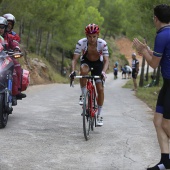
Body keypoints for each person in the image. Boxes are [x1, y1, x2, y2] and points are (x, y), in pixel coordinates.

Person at [133, 4, 170, 170]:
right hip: (167, 84)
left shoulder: (162, 35)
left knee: (166, 125)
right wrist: (146, 50)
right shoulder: (166, 34)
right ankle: (165, 162)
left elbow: (154, 64)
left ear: (156, 18)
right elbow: (160, 56)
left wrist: (142, 50)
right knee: (158, 121)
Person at [69, 23, 109, 126]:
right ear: (86, 36)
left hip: (98, 65)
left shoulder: (102, 44)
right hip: (86, 62)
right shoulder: (81, 43)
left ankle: (99, 114)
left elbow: (106, 61)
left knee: (100, 89)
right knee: (83, 71)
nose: (92, 39)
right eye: (90, 37)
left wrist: (103, 72)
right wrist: (73, 71)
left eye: (94, 36)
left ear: (98, 35)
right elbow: (74, 59)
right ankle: (83, 94)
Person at [0, 16, 25, 104]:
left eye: (2, 27)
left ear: (5, 27)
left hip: (6, 58)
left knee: (15, 68)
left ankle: (15, 93)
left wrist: (16, 50)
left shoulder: (9, 37)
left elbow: (14, 44)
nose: (0, 29)